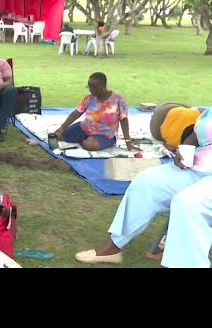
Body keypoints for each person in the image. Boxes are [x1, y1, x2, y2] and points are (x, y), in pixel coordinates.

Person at [75, 108, 212, 268]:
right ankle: (113, 248)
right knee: (147, 182)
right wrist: (184, 148)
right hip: (197, 167)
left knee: (189, 202)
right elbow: (197, 134)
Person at [54, 72, 139, 152]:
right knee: (58, 136)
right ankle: (82, 139)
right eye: (89, 86)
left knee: (90, 145)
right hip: (84, 128)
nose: (90, 90)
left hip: (105, 135)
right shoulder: (89, 98)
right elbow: (75, 113)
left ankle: (83, 141)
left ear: (103, 86)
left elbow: (124, 120)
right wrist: (62, 128)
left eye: (94, 87)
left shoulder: (118, 99)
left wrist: (128, 142)